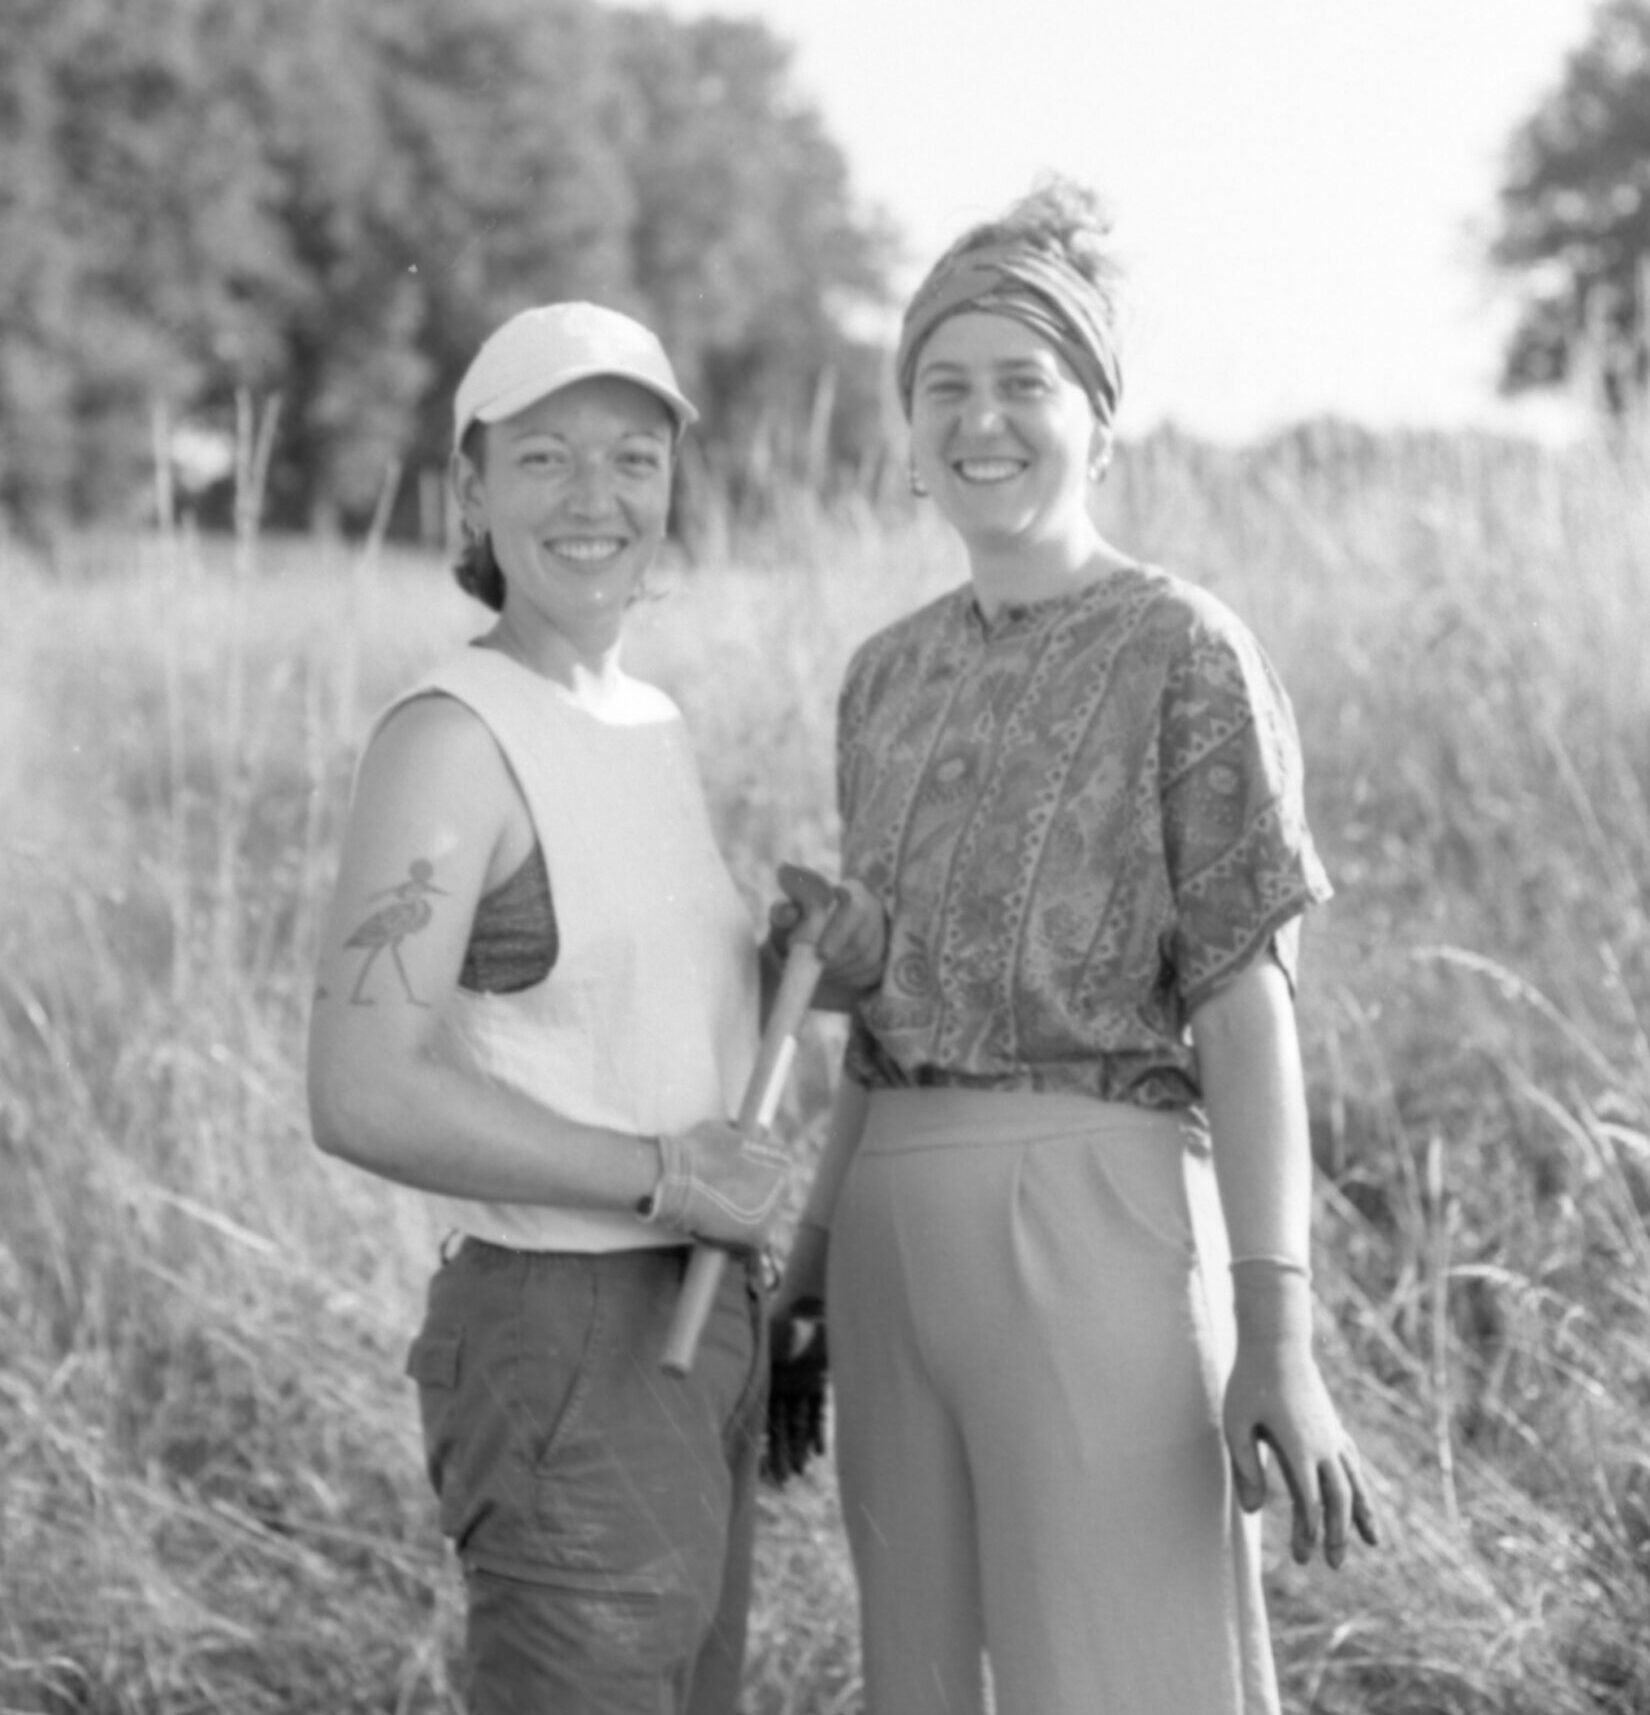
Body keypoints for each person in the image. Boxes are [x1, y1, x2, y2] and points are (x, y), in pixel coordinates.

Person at [764, 180, 1379, 1715]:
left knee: (1123, 1681)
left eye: (1022, 383)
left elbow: (1245, 1013)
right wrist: (814, 1270)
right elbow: (874, 1024)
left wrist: (1279, 1336)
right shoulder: (880, 679)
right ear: (907, 436)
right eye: (942, 388)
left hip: (1098, 1224)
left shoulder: (1186, 649)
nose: (981, 422)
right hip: (893, 1238)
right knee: (919, 1684)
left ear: (1097, 420)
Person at [307, 301, 792, 1715]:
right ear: (469, 489)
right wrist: (661, 1178)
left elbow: (609, 1020)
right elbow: (361, 1090)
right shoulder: (453, 738)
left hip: (700, 1325)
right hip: (565, 1332)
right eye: (546, 459)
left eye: (632, 459)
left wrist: (791, 979)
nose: (597, 499)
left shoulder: (647, 721)